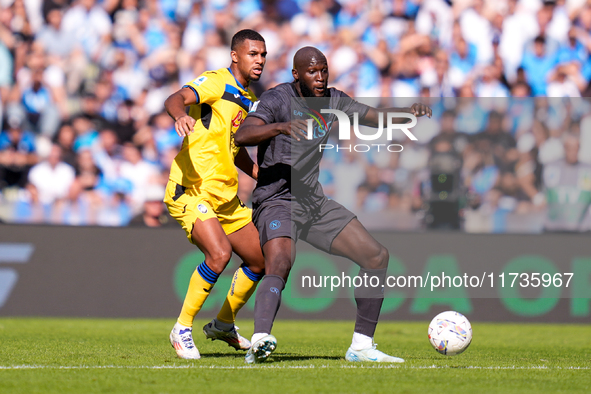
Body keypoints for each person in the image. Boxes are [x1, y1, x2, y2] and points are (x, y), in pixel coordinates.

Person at [235, 46, 431, 364]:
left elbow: (374, 118)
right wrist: (281, 127)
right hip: (277, 199)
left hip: (312, 201)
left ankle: (361, 346)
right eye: (313, 71)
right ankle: (259, 341)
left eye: (324, 70)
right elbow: (243, 135)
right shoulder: (277, 99)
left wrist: (408, 113)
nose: (321, 77)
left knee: (376, 256)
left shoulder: (333, 100)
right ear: (296, 74)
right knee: (281, 262)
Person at [163, 29, 267, 360]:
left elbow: (233, 149)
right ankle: (181, 328)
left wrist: (258, 174)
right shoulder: (216, 82)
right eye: (253, 54)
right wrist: (180, 114)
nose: (260, 60)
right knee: (219, 255)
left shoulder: (248, 99)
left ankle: (223, 324)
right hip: (191, 191)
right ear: (235, 55)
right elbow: (174, 98)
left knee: (259, 261)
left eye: (263, 55)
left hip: (226, 197)